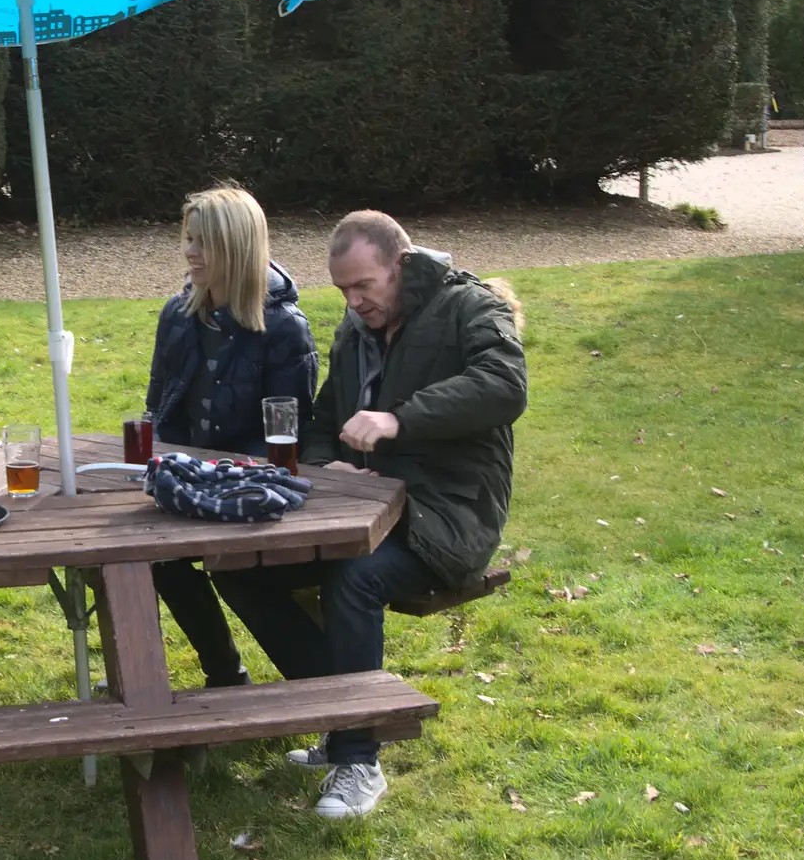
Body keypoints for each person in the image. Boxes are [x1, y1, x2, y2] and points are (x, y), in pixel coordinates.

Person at [211, 210, 527, 818]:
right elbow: (326, 422)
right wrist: (331, 465)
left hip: (447, 516)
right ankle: (346, 713)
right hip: (364, 511)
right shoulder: (355, 333)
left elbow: (505, 385)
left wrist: (399, 417)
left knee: (354, 576)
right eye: (343, 291)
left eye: (365, 286)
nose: (354, 303)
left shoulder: (471, 308)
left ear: (401, 266)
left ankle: (358, 759)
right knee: (237, 566)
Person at [144, 185, 319, 688]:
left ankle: (320, 685)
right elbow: (161, 408)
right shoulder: (176, 315)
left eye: (203, 242)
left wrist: (224, 477)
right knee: (150, 554)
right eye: (189, 239)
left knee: (231, 565)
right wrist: (166, 468)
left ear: (237, 248)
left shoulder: (285, 329)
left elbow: (289, 434)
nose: (189, 252)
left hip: (252, 484)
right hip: (188, 478)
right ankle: (223, 671)